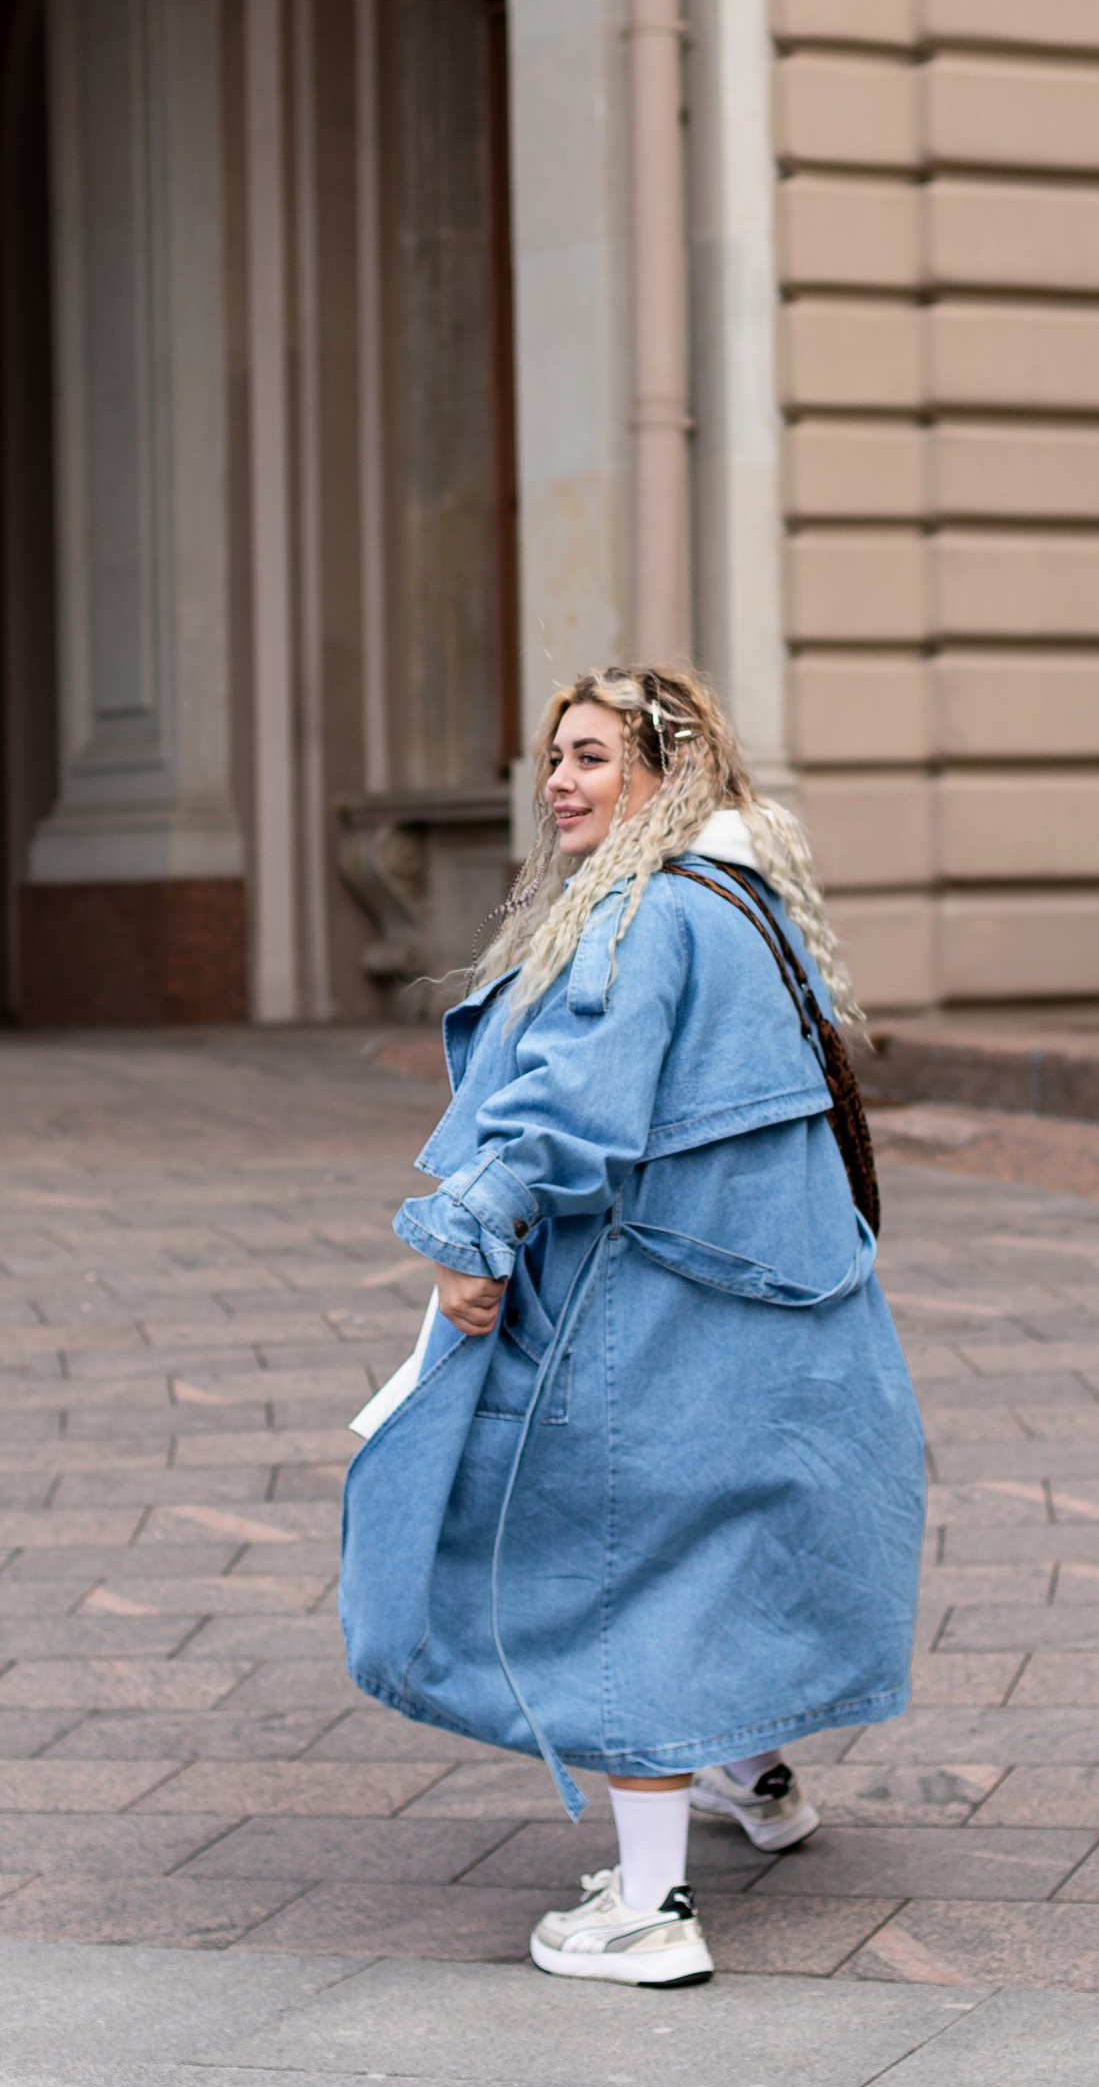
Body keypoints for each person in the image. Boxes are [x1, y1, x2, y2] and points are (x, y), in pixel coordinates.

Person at [339, 665, 925, 1987]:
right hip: (783, 1311)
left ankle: (650, 1909)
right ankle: (752, 1776)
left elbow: (570, 1105)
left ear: (667, 774)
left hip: (654, 1315)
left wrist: (468, 1236)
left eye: (595, 758)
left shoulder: (644, 916)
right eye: (556, 756)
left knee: (615, 1575)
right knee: (732, 1543)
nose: (561, 779)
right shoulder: (753, 901)